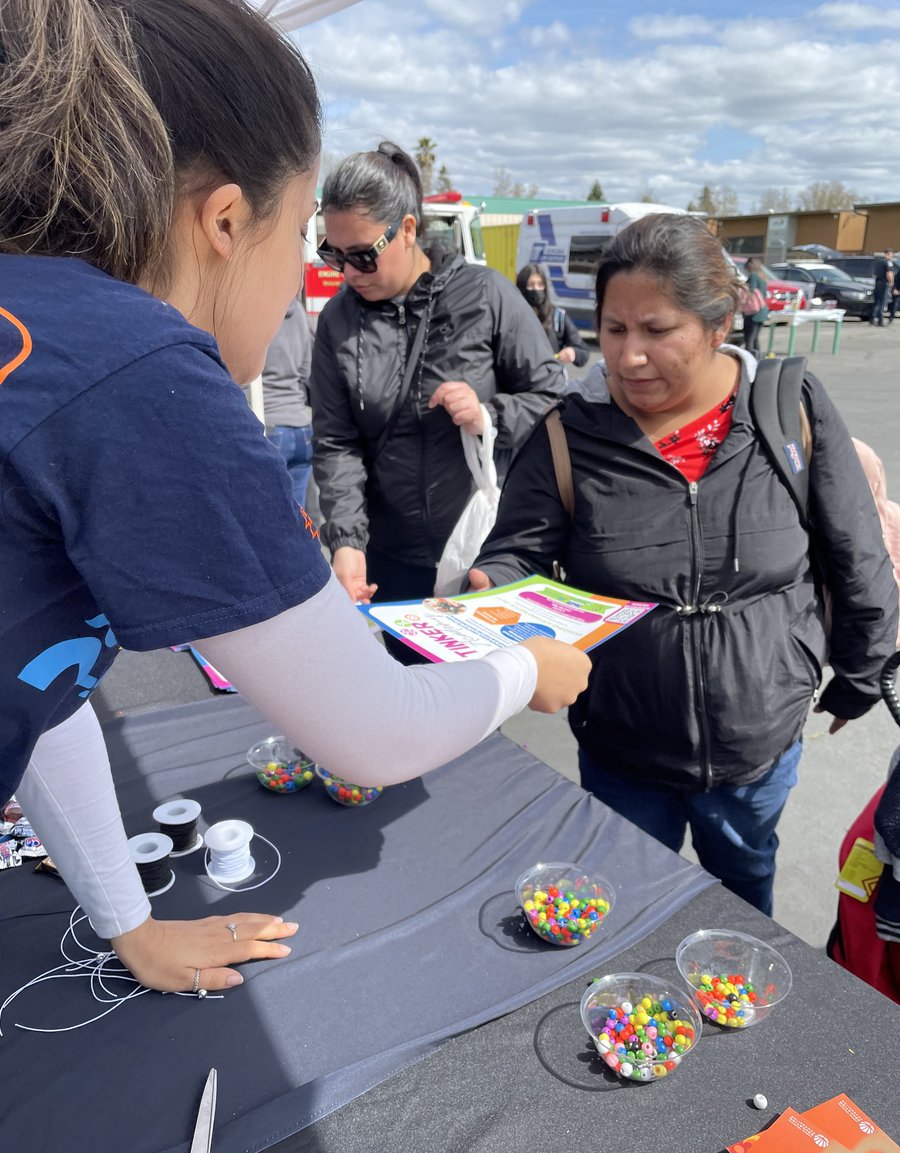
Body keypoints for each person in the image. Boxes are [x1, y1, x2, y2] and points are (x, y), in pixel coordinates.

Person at [0, 0, 591, 995]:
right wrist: (524, 670)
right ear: (227, 220)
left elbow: (39, 683)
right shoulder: (135, 363)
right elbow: (374, 733)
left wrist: (129, 922)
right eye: (304, 241)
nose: (307, 284)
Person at [469, 212, 898, 916]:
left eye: (657, 331)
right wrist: (496, 587)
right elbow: (517, 551)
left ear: (719, 324)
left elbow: (855, 552)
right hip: (622, 745)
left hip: (754, 744)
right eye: (614, 330)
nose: (629, 356)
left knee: (743, 891)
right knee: (623, 902)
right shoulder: (567, 434)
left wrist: (858, 676)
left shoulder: (789, 409)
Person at [310, 142, 565, 652]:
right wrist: (347, 543)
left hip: (483, 548)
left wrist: (489, 414)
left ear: (407, 230)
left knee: (483, 699)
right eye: (332, 254)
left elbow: (553, 398)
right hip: (390, 557)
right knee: (403, 698)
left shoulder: (486, 295)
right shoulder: (338, 320)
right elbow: (337, 442)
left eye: (361, 255)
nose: (348, 272)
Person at [255, 297, 315, 508]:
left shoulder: (256, 310)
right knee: (298, 516)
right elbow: (307, 370)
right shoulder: (298, 310)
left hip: (269, 423)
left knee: (269, 514)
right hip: (302, 428)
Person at [515, 263, 589, 367]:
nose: (536, 289)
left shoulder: (557, 317)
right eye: (530, 285)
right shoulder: (511, 317)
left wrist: (572, 352)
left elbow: (583, 352)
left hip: (550, 380)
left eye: (540, 284)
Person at [741, 256, 769, 358]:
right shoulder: (763, 276)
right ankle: (758, 358)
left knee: (749, 337)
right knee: (755, 337)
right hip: (762, 309)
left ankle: (748, 359)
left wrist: (741, 304)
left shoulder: (753, 276)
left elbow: (750, 292)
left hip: (752, 310)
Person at [871, 248, 894, 326]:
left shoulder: (878, 262)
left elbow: (874, 274)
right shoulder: (888, 262)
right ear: (887, 254)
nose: (892, 256)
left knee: (876, 302)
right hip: (884, 283)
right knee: (882, 302)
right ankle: (880, 321)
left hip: (877, 283)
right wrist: (891, 282)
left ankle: (872, 319)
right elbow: (889, 273)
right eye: (891, 254)